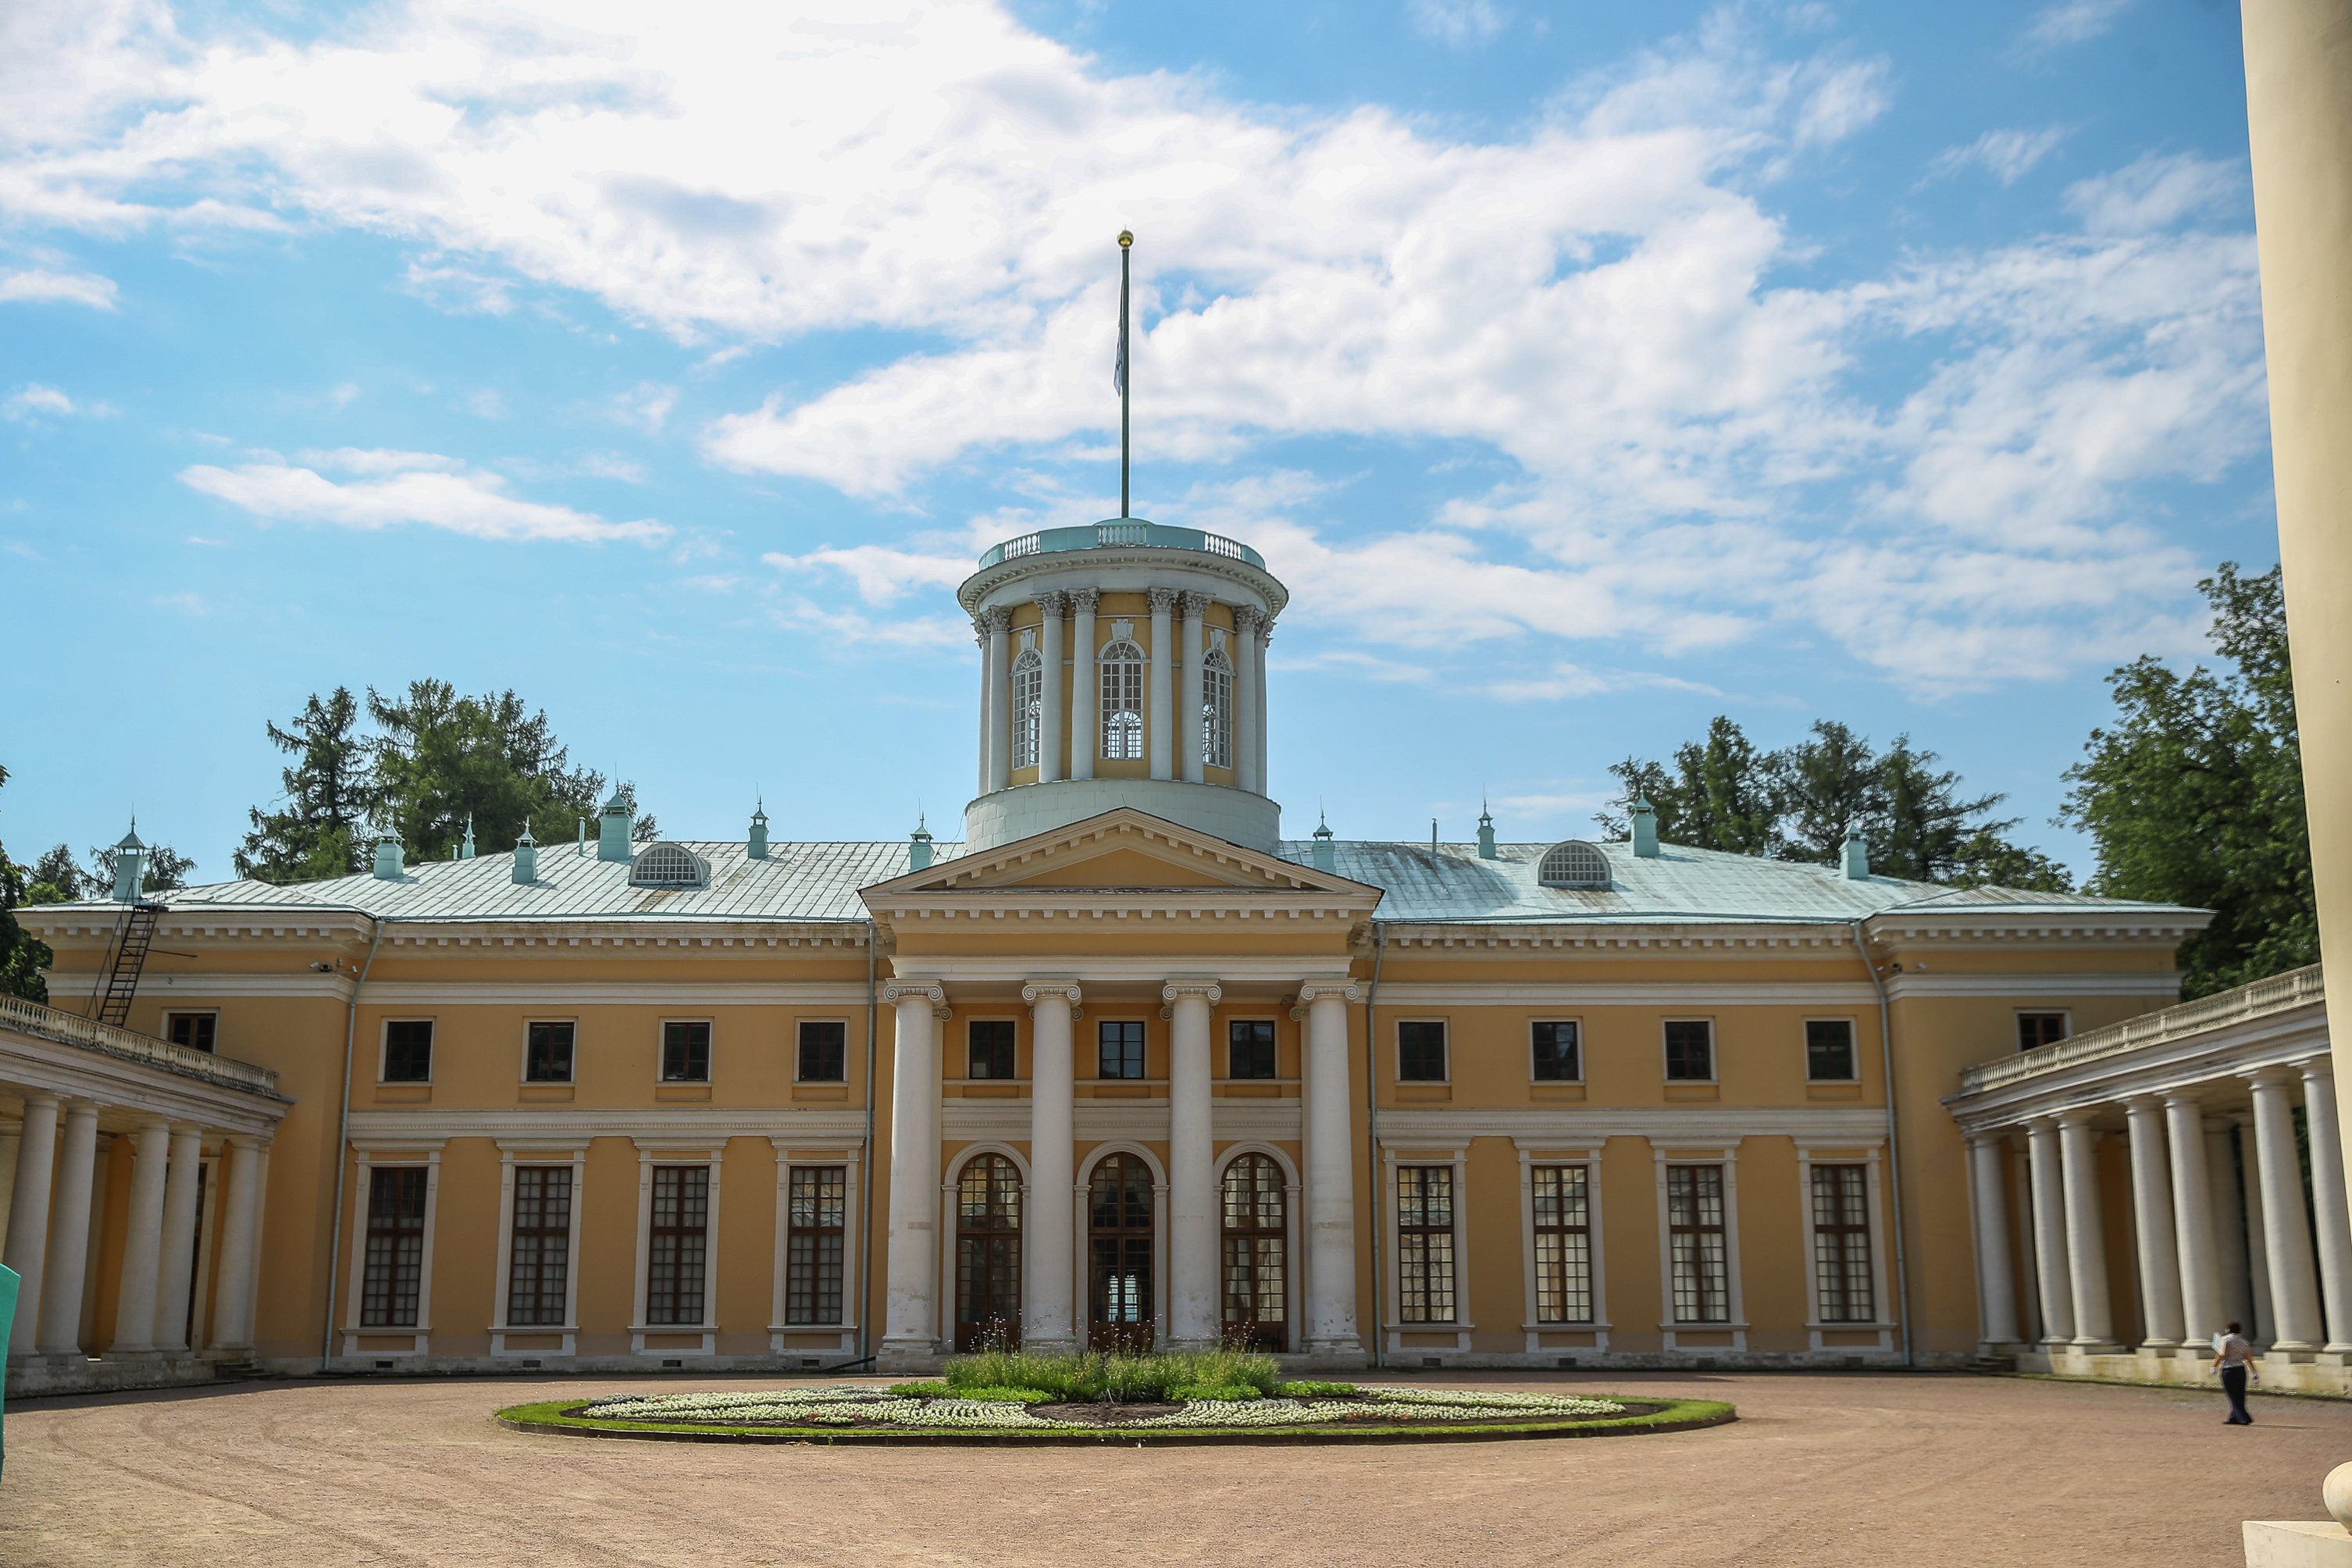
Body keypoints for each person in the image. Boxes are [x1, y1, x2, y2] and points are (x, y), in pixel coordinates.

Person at [2214, 1320, 2256, 1425]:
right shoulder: (2244, 1341)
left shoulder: (2226, 1339)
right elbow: (2248, 1357)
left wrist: (2215, 1365)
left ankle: (2244, 1417)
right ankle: (2233, 1417)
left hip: (2229, 1368)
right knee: (2240, 1394)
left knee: (2232, 1394)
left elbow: (2223, 1354)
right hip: (2241, 1368)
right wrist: (2254, 1371)